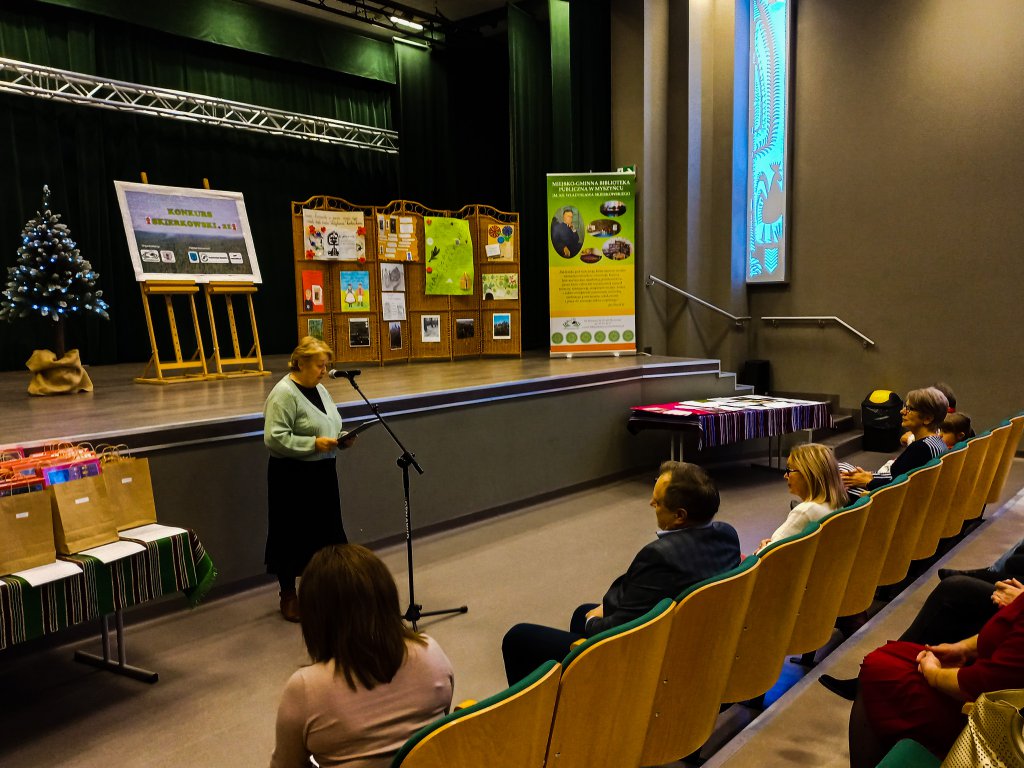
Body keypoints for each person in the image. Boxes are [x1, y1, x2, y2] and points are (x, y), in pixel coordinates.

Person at [501, 461, 741, 685]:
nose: (651, 504)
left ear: (680, 516)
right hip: (692, 642)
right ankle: (583, 690)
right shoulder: (727, 535)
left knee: (519, 637)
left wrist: (593, 620)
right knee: (579, 613)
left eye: (657, 502)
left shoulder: (660, 556)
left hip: (647, 660)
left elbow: (617, 632)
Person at [270, 544, 454, 768]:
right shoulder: (430, 651)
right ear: (387, 599)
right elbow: (441, 723)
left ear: (316, 618)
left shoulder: (305, 688)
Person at [844, 592, 1024, 767]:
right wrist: (962, 648)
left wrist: (934, 674)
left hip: (993, 721)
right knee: (897, 656)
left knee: (880, 672)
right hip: (989, 679)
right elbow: (1009, 628)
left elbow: (985, 683)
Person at [264, 337, 356, 622]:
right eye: (319, 365)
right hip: (292, 476)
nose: (324, 370)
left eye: (326, 365)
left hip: (322, 473)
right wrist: (313, 444)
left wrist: (341, 439)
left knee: (327, 533)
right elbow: (274, 438)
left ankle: (324, 593)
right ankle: (288, 595)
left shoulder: (320, 390)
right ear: (300, 362)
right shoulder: (283, 394)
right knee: (291, 534)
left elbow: (331, 422)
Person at [841, 387, 950, 497]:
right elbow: (899, 476)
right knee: (844, 468)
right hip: (898, 491)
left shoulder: (921, 448)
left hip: (889, 501)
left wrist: (867, 482)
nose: (902, 411)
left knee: (837, 481)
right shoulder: (937, 443)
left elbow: (897, 486)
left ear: (927, 419)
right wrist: (869, 475)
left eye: (909, 408)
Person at [756, 443, 848, 552]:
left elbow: (767, 555)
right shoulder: (837, 505)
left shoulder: (805, 511)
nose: (785, 475)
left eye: (790, 470)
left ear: (808, 474)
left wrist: (762, 548)